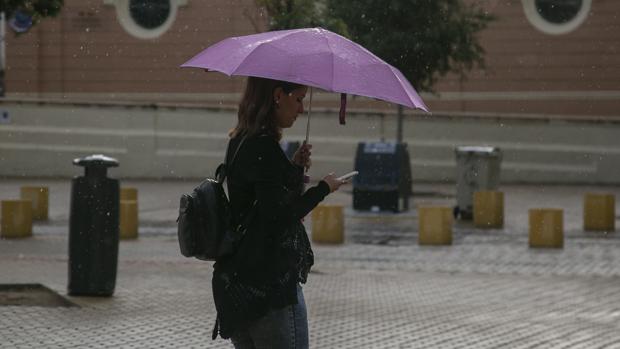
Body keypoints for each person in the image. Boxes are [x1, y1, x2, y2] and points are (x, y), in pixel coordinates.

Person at [211, 76, 346, 348]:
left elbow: (261, 200)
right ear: (277, 96)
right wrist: (323, 189)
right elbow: (279, 218)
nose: (301, 109)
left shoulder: (240, 140)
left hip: (238, 288)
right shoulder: (264, 146)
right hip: (268, 289)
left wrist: (294, 167)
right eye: (298, 99)